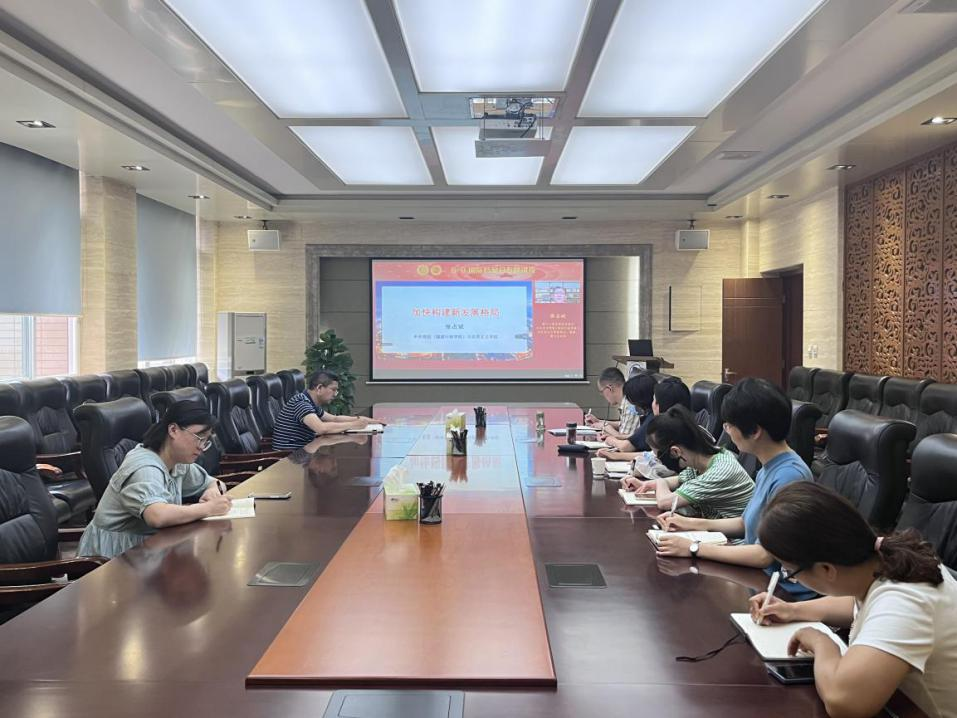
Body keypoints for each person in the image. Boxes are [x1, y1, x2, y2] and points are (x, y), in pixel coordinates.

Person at [750, 482, 957, 718]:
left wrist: (821, 642)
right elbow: (859, 604)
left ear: (826, 569)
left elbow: (843, 703)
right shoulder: (885, 558)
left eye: (790, 572)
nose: (791, 577)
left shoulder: (905, 600)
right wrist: (793, 610)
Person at [653, 378, 814, 597]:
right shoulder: (768, 467)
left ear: (754, 431)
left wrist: (693, 548)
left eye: (729, 425)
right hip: (755, 577)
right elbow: (744, 523)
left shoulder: (789, 476)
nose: (726, 431)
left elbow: (763, 556)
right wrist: (688, 523)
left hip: (781, 592)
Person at [77, 402, 232, 559]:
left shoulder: (177, 462)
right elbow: (157, 516)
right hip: (112, 558)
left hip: (151, 549)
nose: (201, 447)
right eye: (199, 438)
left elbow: (214, 482)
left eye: (206, 441)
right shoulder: (145, 468)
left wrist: (212, 491)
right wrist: (208, 508)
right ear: (173, 430)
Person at [622, 405, 754, 516]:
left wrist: (660, 482)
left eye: (659, 457)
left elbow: (665, 502)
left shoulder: (718, 471)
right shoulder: (704, 461)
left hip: (734, 538)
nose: (659, 461)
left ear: (675, 452)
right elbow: (677, 480)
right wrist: (645, 484)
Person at [271, 370, 382, 451]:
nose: (335, 394)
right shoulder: (301, 403)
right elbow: (321, 428)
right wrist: (354, 425)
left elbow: (334, 418)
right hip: (289, 456)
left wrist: (363, 419)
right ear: (319, 388)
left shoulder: (309, 400)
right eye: (333, 390)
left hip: (302, 450)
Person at [598, 377, 691, 460]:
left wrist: (614, 453)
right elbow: (653, 454)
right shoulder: (685, 425)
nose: (652, 404)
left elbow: (656, 457)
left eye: (654, 400)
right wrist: (615, 451)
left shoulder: (660, 426)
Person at [584, 367, 639, 437]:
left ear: (609, 388)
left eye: (602, 391)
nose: (603, 395)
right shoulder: (627, 401)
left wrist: (605, 427)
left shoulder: (630, 405)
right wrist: (598, 421)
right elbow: (622, 424)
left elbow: (625, 439)